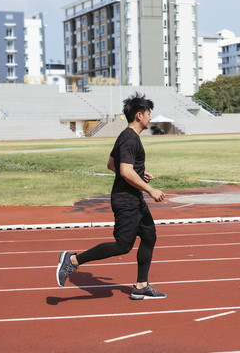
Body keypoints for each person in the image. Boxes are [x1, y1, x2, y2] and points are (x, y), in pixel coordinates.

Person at [56, 92, 167, 300]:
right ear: (139, 115)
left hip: (134, 198)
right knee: (122, 246)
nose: (151, 118)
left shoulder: (126, 136)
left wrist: (139, 174)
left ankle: (141, 286)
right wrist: (149, 189)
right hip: (126, 200)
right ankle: (72, 261)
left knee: (149, 235)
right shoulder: (129, 139)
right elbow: (124, 172)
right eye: (149, 114)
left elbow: (111, 165)